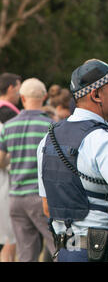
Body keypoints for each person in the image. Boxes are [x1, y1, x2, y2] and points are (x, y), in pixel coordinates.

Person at [37, 59, 108, 262]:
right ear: (96, 95)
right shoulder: (106, 141)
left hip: (65, 252)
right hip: (104, 253)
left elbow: (47, 206)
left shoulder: (48, 139)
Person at [0, 78, 56, 262]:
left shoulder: (8, 126)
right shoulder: (50, 126)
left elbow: (0, 161)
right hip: (40, 197)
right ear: (45, 97)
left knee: (26, 254)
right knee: (58, 247)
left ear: (22, 98)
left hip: (15, 197)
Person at [0, 73, 21, 262]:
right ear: (10, 88)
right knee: (10, 236)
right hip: (6, 181)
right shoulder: (9, 114)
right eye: (18, 87)